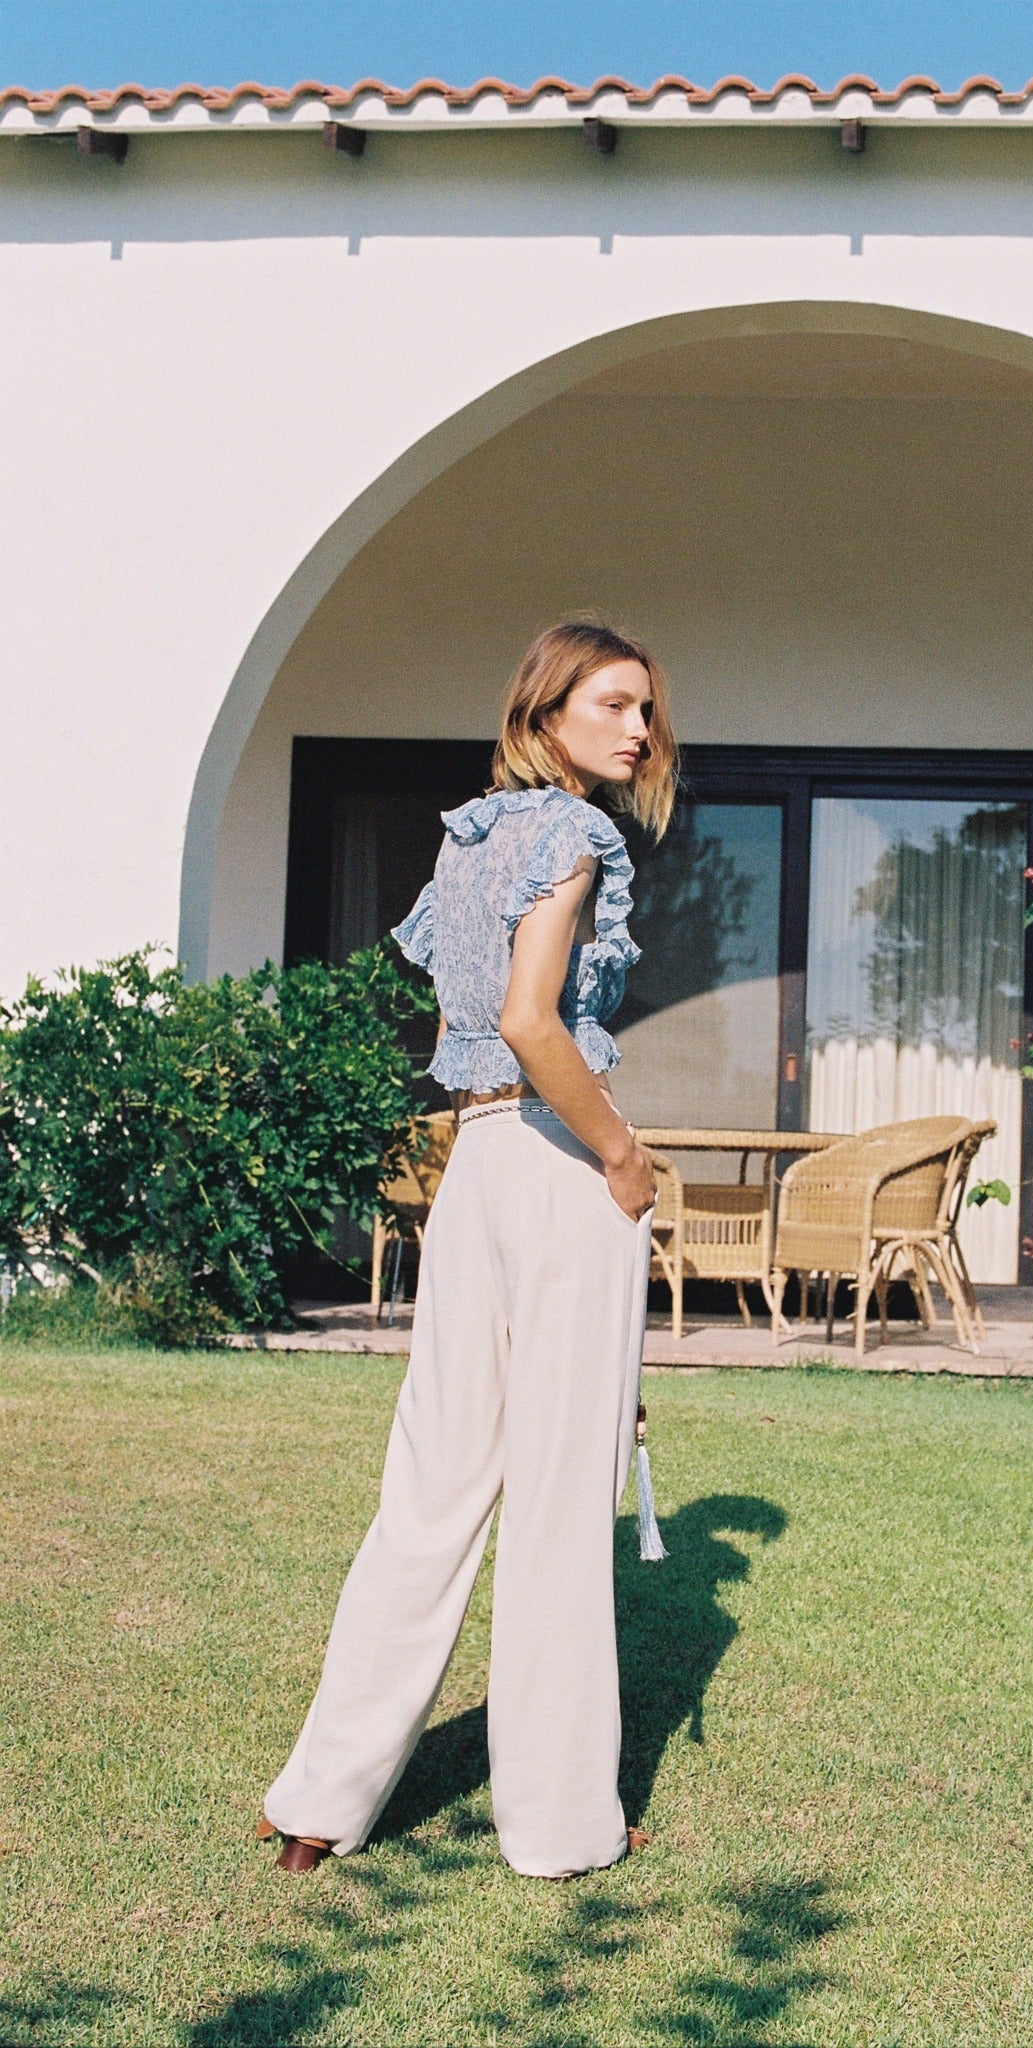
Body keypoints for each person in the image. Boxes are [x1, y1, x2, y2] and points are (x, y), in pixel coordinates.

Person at [259, 618, 676, 1879]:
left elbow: (466, 1021)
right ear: (545, 711)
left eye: (644, 709)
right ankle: (557, 1822)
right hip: (556, 1162)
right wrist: (622, 1155)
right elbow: (528, 1019)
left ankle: (319, 1800)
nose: (638, 730)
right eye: (612, 704)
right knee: (556, 1501)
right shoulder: (575, 834)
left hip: (475, 1162)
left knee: (431, 1486)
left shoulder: (470, 836)